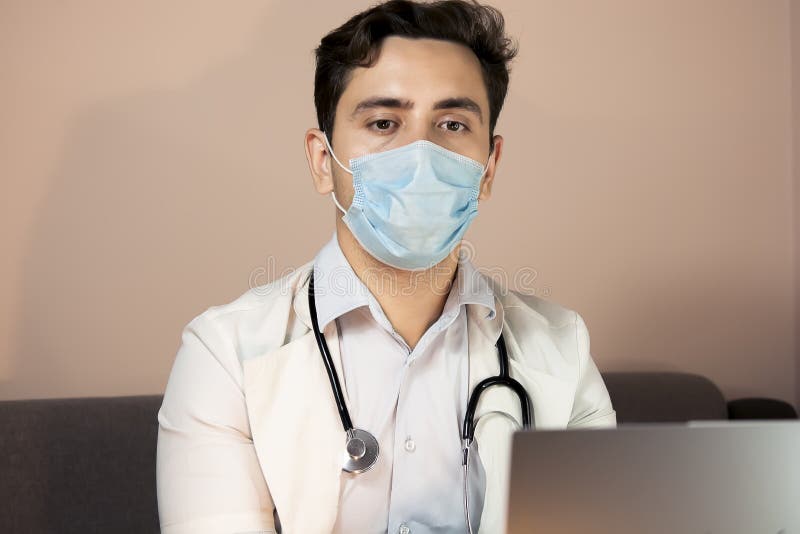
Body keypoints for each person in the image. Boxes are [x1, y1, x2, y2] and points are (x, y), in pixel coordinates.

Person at [156, 1, 616, 533]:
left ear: (488, 168)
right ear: (323, 161)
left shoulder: (562, 350)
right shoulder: (225, 357)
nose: (420, 152)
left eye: (451, 123)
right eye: (383, 122)